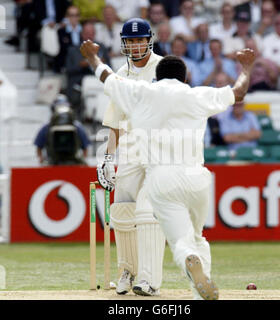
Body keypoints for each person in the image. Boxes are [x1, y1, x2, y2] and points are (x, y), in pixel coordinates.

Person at [80, 38, 255, 300]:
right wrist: (246, 68)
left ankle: (187, 258)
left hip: (162, 178)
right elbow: (238, 93)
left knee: (180, 241)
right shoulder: (197, 94)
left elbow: (107, 78)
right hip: (197, 177)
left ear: (157, 77)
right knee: (197, 236)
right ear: (184, 79)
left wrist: (93, 57)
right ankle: (199, 290)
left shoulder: (143, 93)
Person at [96, 18, 165, 297]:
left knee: (148, 213)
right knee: (122, 210)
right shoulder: (121, 74)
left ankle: (149, 280)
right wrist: (108, 158)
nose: (136, 46)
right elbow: (115, 122)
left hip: (161, 149)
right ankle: (128, 270)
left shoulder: (164, 68)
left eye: (140, 40)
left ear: (149, 40)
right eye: (131, 41)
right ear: (124, 43)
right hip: (132, 149)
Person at [65, 21, 110, 113]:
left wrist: (102, 64)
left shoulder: (102, 48)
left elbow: (110, 68)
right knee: (87, 83)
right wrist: (81, 65)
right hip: (81, 80)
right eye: (86, 33)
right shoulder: (73, 49)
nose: (89, 35)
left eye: (91, 33)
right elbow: (68, 70)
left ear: (94, 34)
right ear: (82, 34)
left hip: (99, 80)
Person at [33, 94, 91, 165]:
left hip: (72, 163)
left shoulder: (77, 127)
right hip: (52, 163)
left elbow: (85, 147)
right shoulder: (47, 127)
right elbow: (39, 147)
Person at [54, 5, 82, 73]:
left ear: (79, 17)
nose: (74, 18)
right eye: (71, 15)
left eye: (76, 15)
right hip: (67, 63)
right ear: (67, 16)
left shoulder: (83, 31)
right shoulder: (61, 31)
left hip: (82, 63)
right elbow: (62, 49)